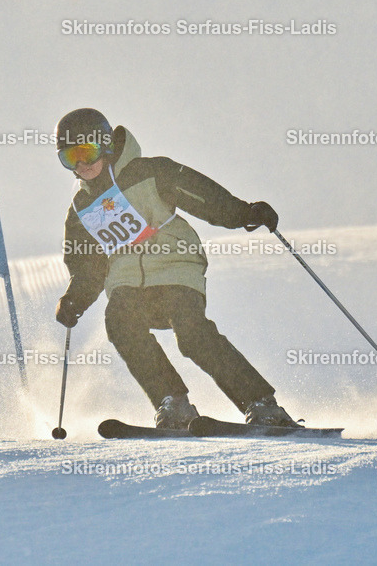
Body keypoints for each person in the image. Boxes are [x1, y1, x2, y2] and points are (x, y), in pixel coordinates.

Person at [53, 108, 301, 429]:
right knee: (119, 321)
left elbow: (202, 195)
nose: (82, 166)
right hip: (127, 282)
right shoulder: (82, 208)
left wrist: (242, 213)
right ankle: (172, 404)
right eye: (70, 158)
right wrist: (76, 298)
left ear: (106, 146)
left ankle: (261, 404)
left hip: (174, 266)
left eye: (86, 153)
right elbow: (88, 265)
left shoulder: (149, 173)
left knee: (192, 334)